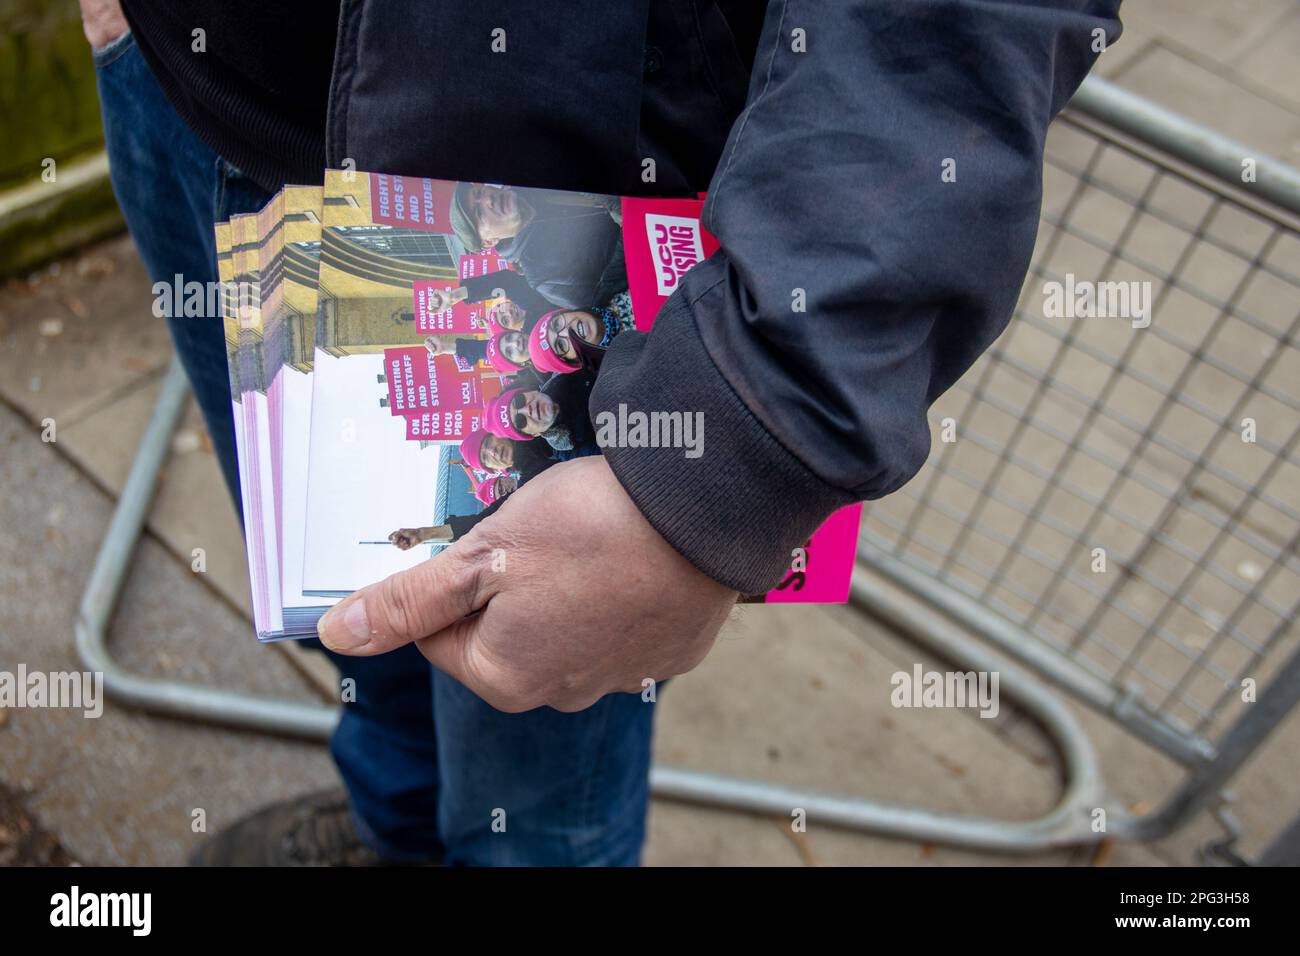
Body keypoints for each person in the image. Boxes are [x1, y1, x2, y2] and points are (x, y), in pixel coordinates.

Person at [83, 0, 1123, 866]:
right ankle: (390, 838)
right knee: (358, 623)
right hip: (191, 101)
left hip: (565, 203)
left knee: (533, 798)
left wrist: (727, 449)